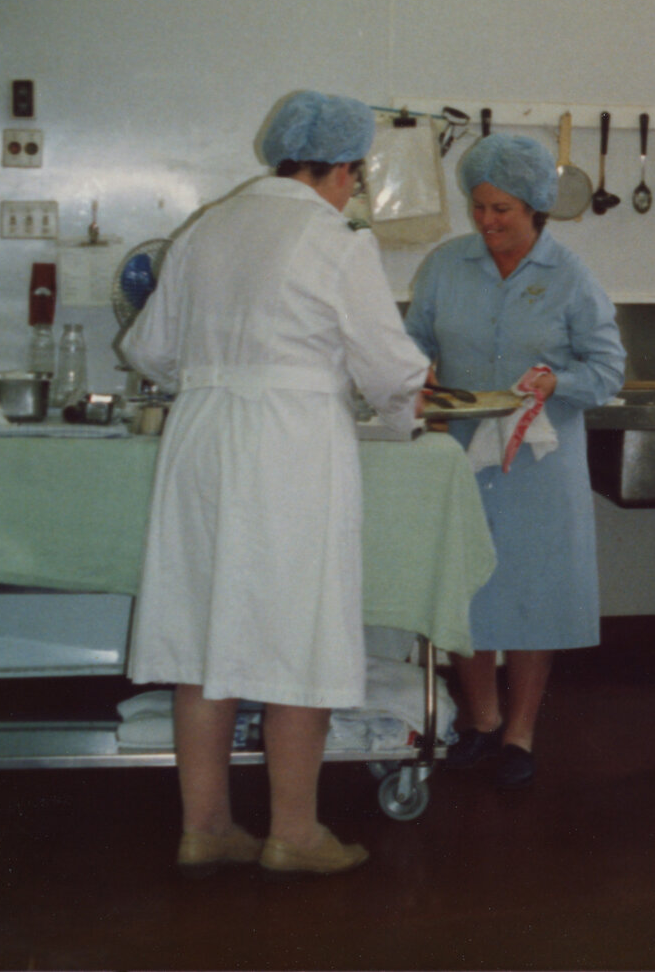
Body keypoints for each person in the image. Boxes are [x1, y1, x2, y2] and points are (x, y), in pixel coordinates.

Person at [123, 90, 430, 877]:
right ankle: (293, 832)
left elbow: (151, 350)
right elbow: (391, 366)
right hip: (287, 448)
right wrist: (405, 409)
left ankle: (207, 825)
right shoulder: (336, 240)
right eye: (354, 177)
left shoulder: (207, 227)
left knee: (205, 634)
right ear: (342, 170)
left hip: (201, 441)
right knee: (301, 625)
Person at [406, 133, 625, 789]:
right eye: (479, 207)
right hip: (463, 455)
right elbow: (414, 341)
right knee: (464, 586)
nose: (487, 221)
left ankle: (520, 732)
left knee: (535, 593)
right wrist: (416, 376)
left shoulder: (571, 277)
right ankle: (480, 719)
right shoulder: (446, 266)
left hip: (540, 459)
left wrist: (559, 382)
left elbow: (609, 367)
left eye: (502, 209)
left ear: (535, 207)